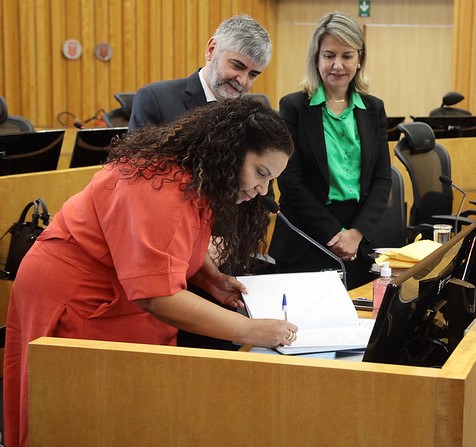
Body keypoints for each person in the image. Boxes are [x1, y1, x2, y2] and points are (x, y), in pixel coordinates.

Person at [3, 98, 298, 447]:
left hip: (121, 293)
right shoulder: (162, 189)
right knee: (77, 412)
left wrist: (209, 278)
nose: (263, 190)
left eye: (271, 179)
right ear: (230, 151)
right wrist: (250, 329)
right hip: (75, 296)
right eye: (260, 173)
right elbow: (158, 295)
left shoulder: (197, 177)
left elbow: (175, 244)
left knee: (133, 410)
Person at [268, 12, 391, 289]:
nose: (338, 65)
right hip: (306, 238)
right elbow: (289, 181)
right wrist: (336, 234)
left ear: (359, 60)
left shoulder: (374, 109)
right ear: (316, 58)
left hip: (358, 243)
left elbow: (383, 178)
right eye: (329, 55)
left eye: (347, 55)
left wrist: (356, 233)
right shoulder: (293, 107)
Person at [128, 15, 271, 130]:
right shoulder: (156, 100)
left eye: (253, 74)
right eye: (237, 66)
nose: (243, 81)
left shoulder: (253, 115)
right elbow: (134, 165)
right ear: (211, 50)